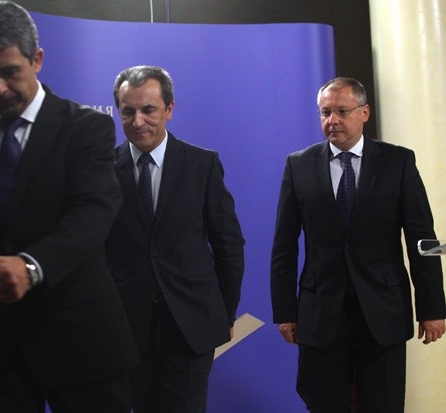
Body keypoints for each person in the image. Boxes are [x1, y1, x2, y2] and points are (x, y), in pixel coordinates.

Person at [0, 2, 139, 412]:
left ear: (37, 60)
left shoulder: (87, 127)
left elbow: (94, 213)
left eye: (9, 71)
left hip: (82, 341)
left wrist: (30, 266)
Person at [270, 77, 446, 412]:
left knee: (383, 404)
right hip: (321, 313)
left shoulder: (398, 162)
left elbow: (422, 238)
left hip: (383, 310)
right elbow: (284, 246)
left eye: (342, 111)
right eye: (325, 113)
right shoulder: (299, 165)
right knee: (323, 403)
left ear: (364, 112)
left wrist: (433, 307)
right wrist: (285, 312)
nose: (332, 120)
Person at [105, 65, 245, 413]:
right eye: (128, 111)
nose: (138, 121)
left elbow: (228, 246)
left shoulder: (202, 164)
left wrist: (224, 314)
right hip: (126, 328)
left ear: (169, 109)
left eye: (148, 110)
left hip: (191, 326)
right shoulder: (101, 169)